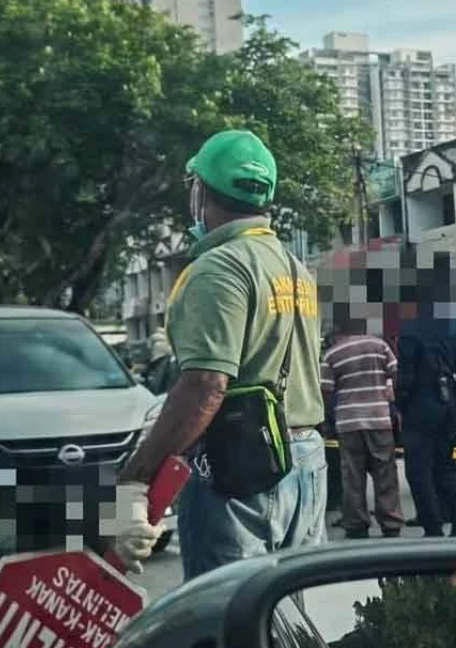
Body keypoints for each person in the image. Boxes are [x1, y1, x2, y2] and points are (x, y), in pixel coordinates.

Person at [108, 129, 326, 579]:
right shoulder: (293, 268)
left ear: (201, 190)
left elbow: (205, 385)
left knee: (226, 619)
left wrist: (136, 475)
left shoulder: (219, 267)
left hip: (241, 466)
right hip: (304, 461)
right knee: (286, 619)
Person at [395, 251, 456, 538]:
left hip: (419, 404)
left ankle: (433, 527)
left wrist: (399, 404)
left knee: (419, 471)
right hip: (447, 400)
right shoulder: (449, 324)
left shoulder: (410, 326)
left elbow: (406, 375)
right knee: (446, 465)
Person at [320, 316, 405, 539]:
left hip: (348, 423)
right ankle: (390, 522)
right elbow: (396, 374)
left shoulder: (332, 354)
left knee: (352, 476)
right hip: (379, 419)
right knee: (385, 472)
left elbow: (326, 392)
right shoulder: (380, 346)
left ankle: (357, 524)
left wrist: (329, 423)